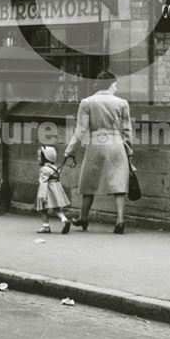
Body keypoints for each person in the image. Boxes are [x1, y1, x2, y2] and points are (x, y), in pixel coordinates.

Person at [63, 69, 133, 234]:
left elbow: (80, 130)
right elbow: (127, 131)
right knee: (119, 183)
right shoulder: (122, 103)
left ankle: (83, 217)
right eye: (115, 84)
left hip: (96, 143)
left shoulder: (87, 102)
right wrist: (129, 152)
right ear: (110, 84)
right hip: (117, 144)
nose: (116, 88)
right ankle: (120, 221)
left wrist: (70, 151)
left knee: (89, 182)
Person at [34, 145, 71, 234]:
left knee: (43, 210)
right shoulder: (55, 168)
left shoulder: (44, 169)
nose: (38, 158)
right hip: (55, 191)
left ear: (46, 158)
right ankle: (64, 219)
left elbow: (43, 183)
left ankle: (45, 226)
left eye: (40, 157)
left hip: (47, 192)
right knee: (57, 209)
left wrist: (42, 196)